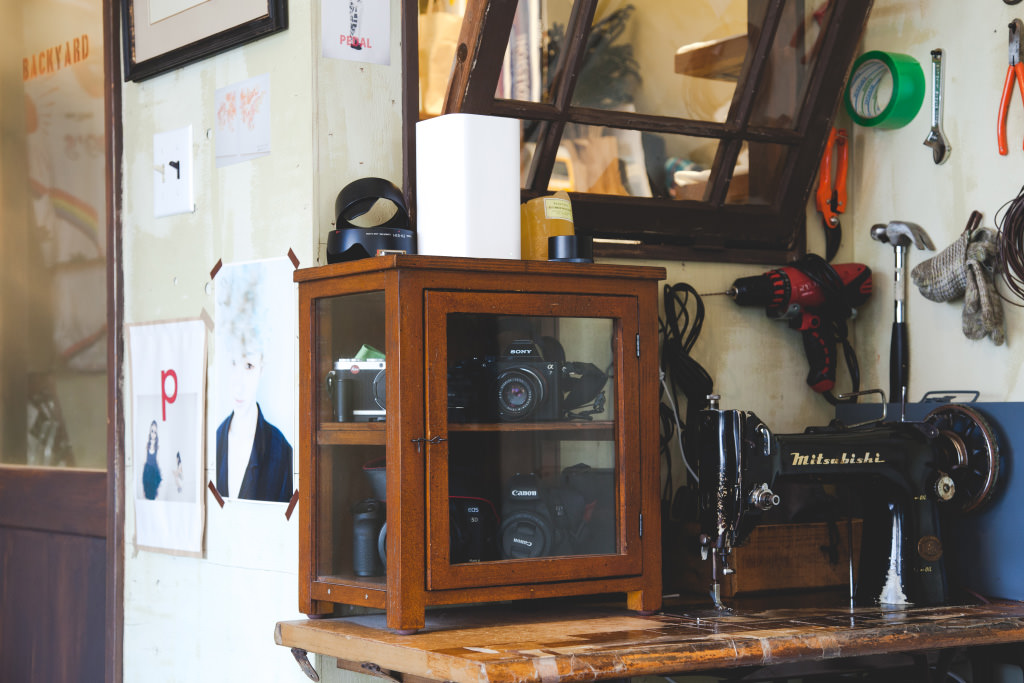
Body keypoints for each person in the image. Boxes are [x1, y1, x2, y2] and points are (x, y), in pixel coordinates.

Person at [214, 284, 292, 503]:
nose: (238, 384)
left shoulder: (281, 451)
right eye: (233, 363)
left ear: (261, 369)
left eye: (248, 365)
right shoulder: (215, 440)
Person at [142, 420, 162, 500]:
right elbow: (144, 462)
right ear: (150, 432)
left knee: (153, 498)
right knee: (146, 498)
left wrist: (158, 488)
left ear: (156, 434)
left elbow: (157, 463)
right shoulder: (147, 445)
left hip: (154, 476)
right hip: (147, 475)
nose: (153, 434)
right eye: (152, 431)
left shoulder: (158, 447)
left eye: (155, 432)